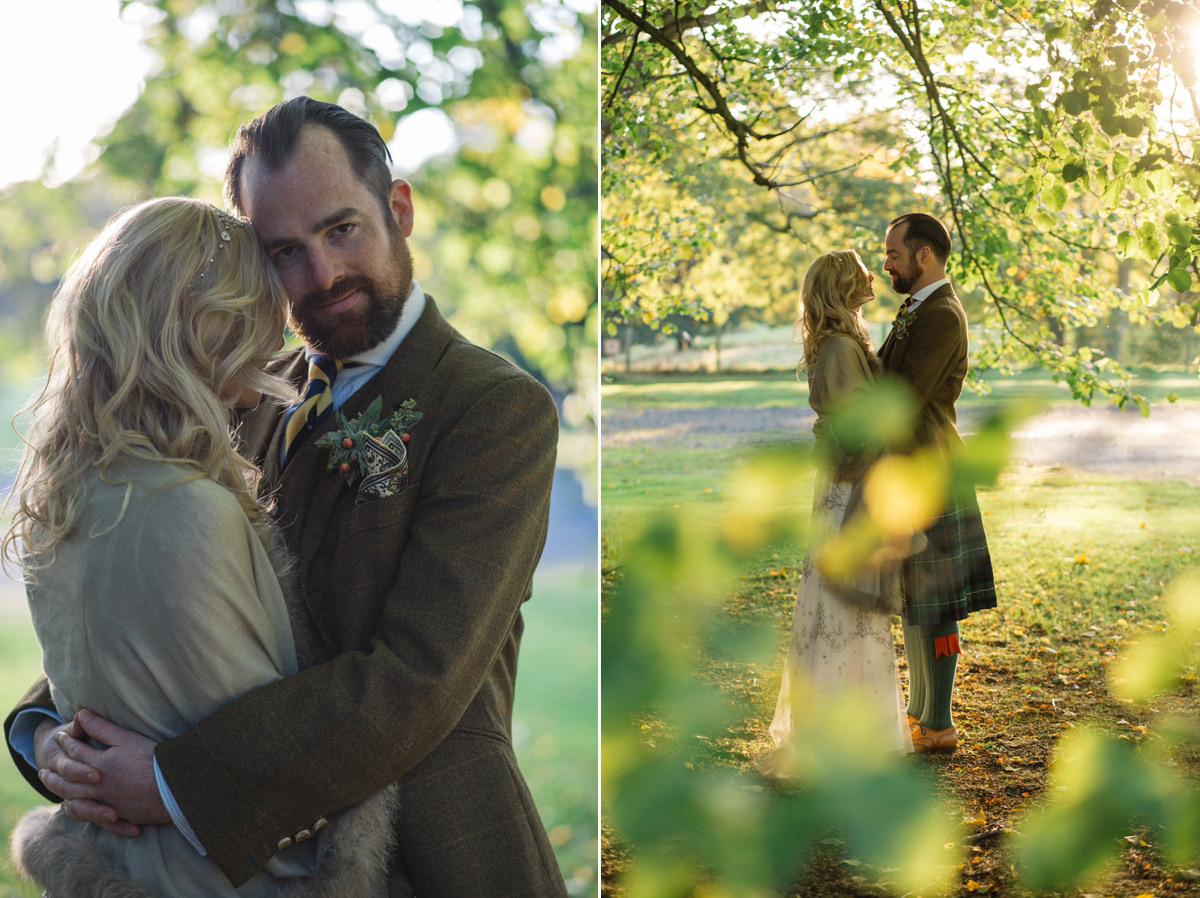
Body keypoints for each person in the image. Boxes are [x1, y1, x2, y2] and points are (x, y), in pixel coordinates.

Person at [6, 98, 567, 896]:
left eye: (341, 230)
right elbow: (171, 600)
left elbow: (417, 674)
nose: (321, 276)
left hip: (437, 851)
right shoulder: (236, 389)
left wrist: (172, 780)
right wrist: (53, 732)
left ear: (398, 209)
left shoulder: (492, 408)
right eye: (283, 252)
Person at [2, 197, 398, 896]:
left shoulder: (60, 500)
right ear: (205, 327)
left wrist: (43, 735)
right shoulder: (186, 509)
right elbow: (264, 758)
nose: (279, 327)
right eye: (257, 305)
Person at [768, 250, 914, 757]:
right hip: (850, 487)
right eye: (859, 272)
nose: (872, 276)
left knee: (848, 604)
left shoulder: (841, 342)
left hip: (847, 483)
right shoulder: (837, 349)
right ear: (840, 286)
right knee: (845, 604)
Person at [878, 212, 998, 755]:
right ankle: (918, 715)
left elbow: (901, 394)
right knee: (913, 598)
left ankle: (940, 722)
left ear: (924, 255)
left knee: (938, 601)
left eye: (894, 254)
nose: (887, 265)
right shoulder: (914, 309)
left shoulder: (943, 315)